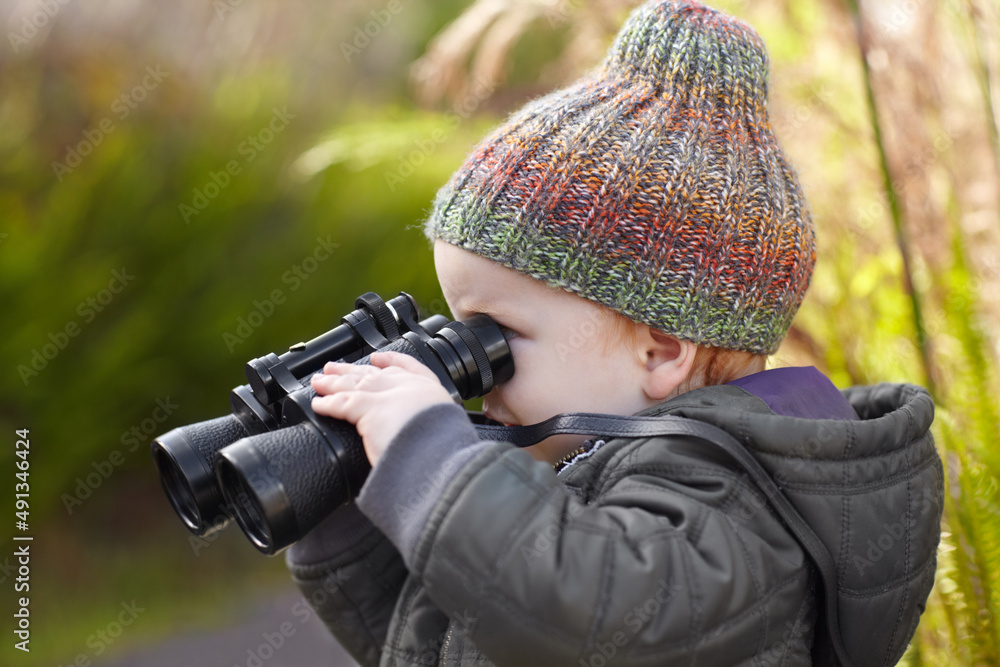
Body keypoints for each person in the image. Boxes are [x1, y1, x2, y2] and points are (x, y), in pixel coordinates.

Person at [287, 1, 943, 665]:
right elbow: (465, 638)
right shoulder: (593, 467)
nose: (471, 372)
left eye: (497, 331)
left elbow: (579, 612)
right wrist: (340, 502)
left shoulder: (738, 510)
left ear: (659, 350)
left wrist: (429, 457)